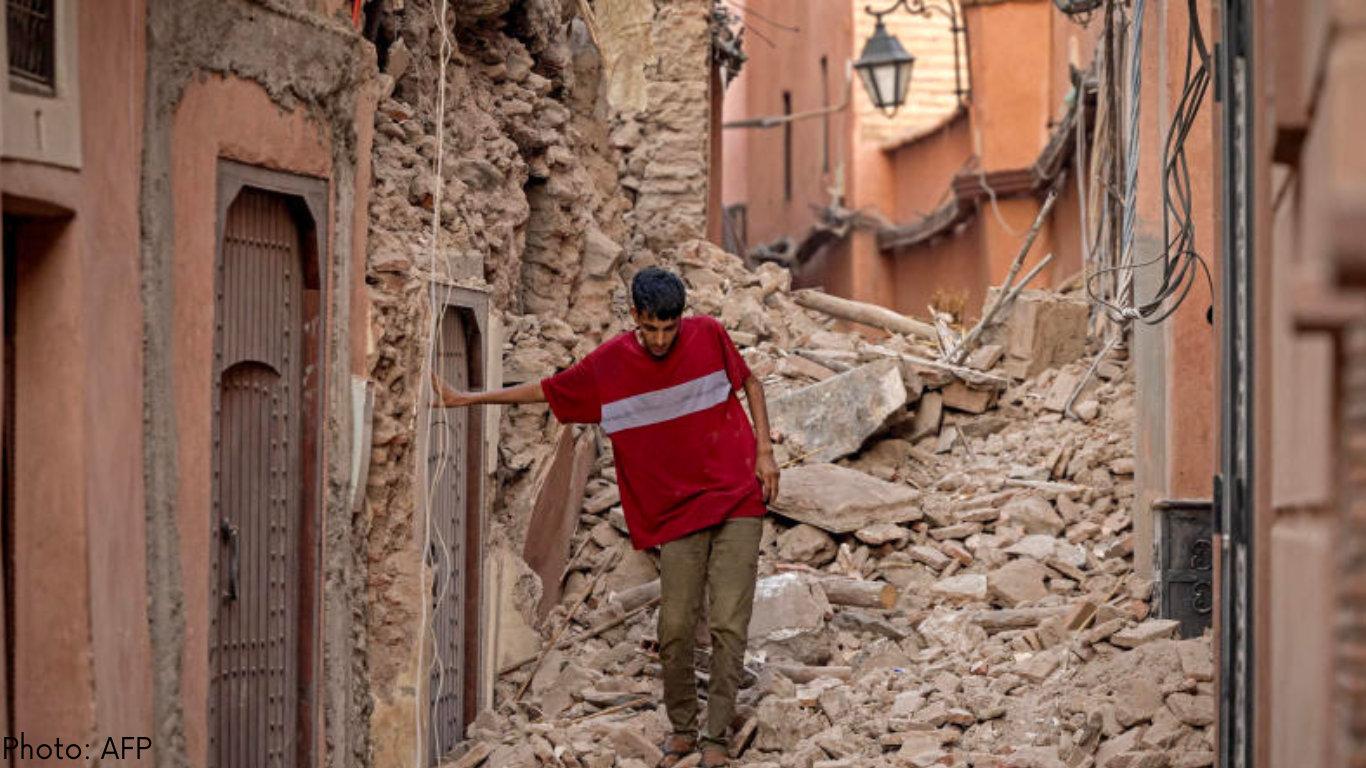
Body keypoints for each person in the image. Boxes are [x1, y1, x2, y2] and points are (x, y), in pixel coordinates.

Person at [432, 266, 779, 768]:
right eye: (650, 328)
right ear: (635, 315)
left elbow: (751, 383)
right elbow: (547, 390)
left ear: (682, 318)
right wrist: (468, 399)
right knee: (675, 628)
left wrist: (765, 452)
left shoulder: (709, 334)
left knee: (729, 623)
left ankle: (716, 739)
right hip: (677, 512)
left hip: (737, 497)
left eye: (669, 328)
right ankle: (684, 728)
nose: (660, 340)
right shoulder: (609, 366)